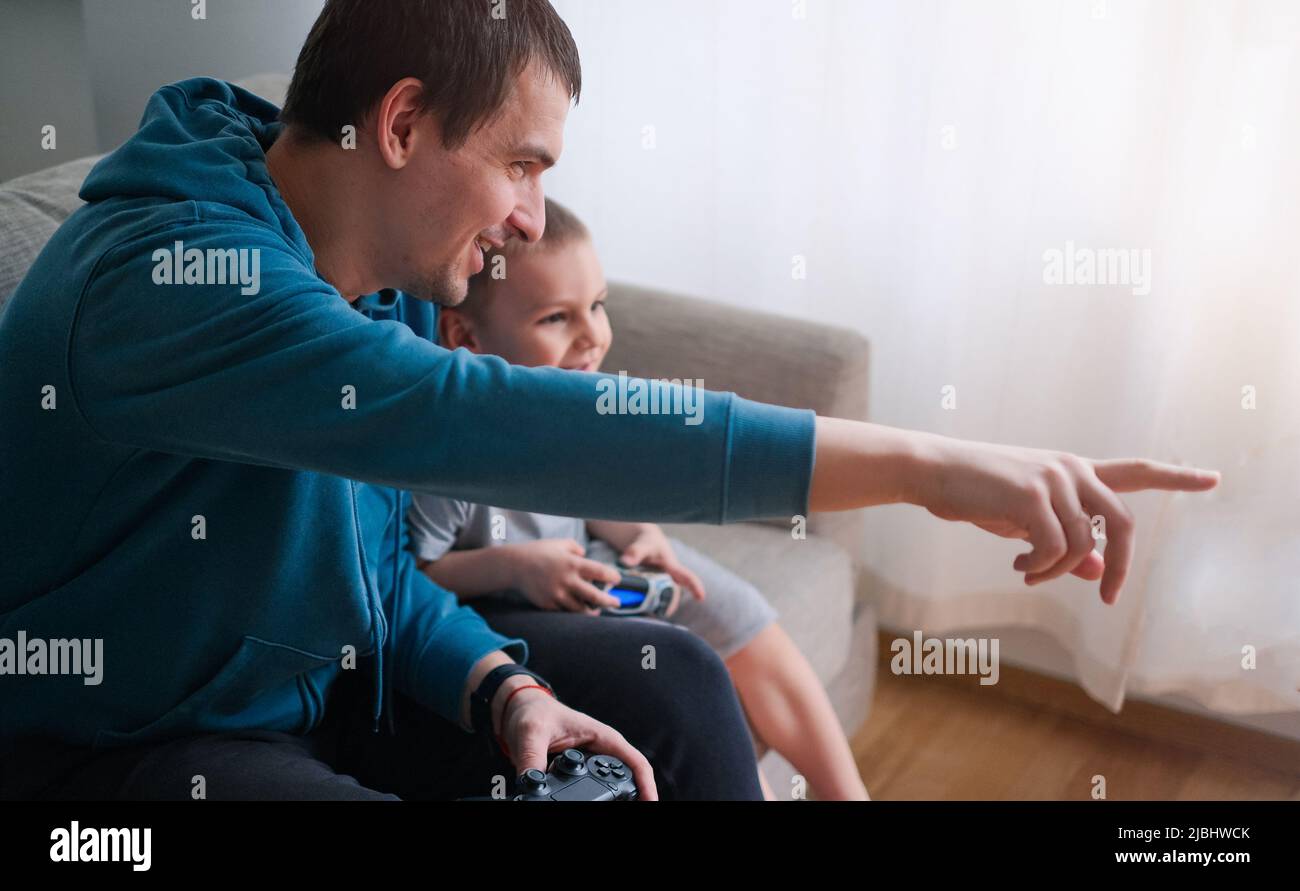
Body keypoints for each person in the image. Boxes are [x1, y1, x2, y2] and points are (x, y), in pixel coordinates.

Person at [0, 0, 1219, 801]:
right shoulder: (171, 283)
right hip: (123, 757)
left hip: (322, 695)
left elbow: (368, 587)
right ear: (404, 122)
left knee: (674, 682)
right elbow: (489, 421)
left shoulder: (371, 275)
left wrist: (505, 688)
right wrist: (924, 465)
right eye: (522, 165)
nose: (529, 218)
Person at [409, 198, 870, 800]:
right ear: (466, 335)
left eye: (597, 307)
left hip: (594, 562)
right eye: (556, 318)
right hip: (507, 604)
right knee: (681, 672)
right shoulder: (446, 456)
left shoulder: (578, 405)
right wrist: (515, 565)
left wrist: (642, 536)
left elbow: (605, 498)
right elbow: (414, 576)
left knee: (734, 607)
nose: (593, 337)